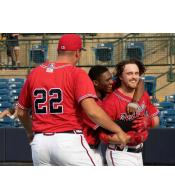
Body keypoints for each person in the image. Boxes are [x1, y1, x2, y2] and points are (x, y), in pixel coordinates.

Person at [16, 34, 130, 166]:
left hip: (40, 144)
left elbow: (21, 112)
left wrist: (30, 132)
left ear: (59, 51)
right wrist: (118, 130)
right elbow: (92, 112)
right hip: (67, 141)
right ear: (77, 53)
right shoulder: (77, 73)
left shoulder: (35, 72)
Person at [99, 59, 160, 166]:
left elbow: (156, 120)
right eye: (129, 73)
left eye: (136, 73)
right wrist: (129, 139)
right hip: (119, 153)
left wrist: (149, 121)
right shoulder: (111, 102)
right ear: (121, 77)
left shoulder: (143, 94)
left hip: (138, 153)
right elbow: (102, 135)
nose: (134, 77)